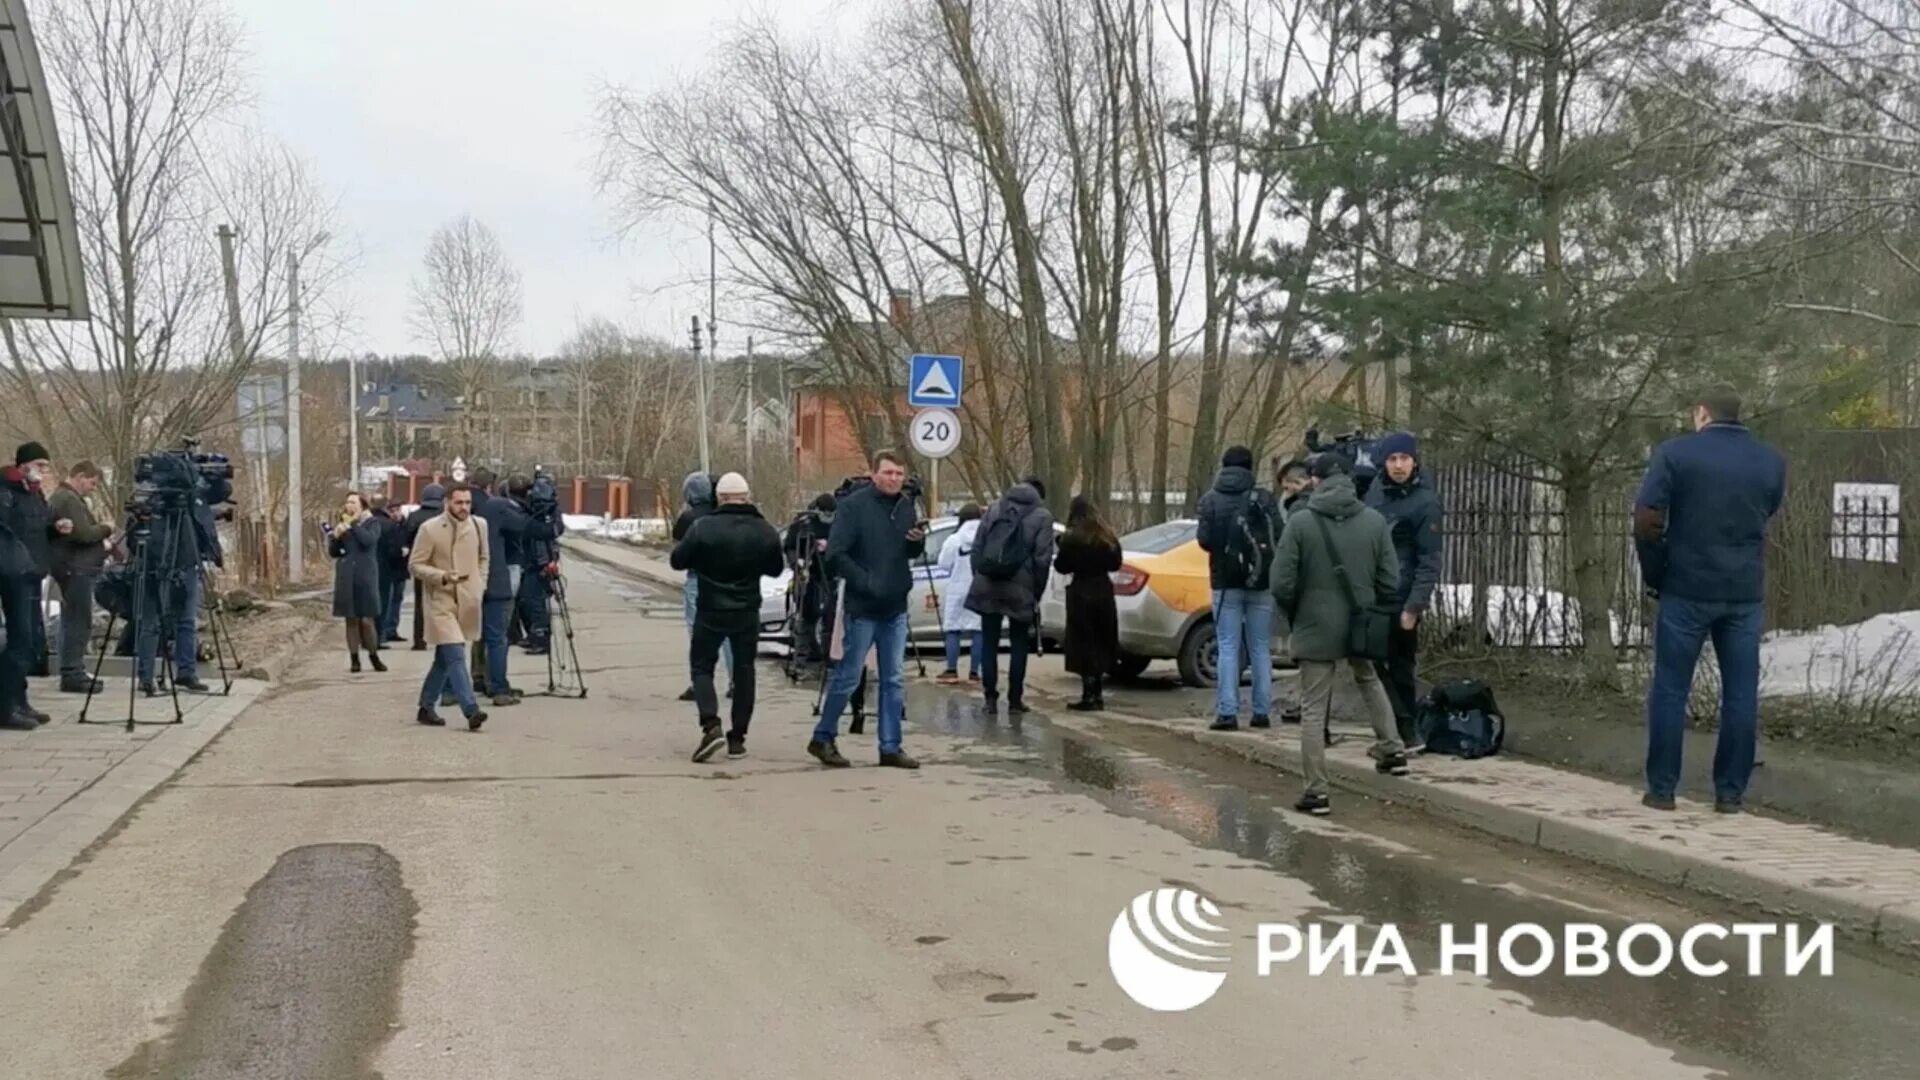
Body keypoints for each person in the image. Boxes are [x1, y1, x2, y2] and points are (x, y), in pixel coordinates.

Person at [1633, 385, 1786, 814]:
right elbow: (1768, 509)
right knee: (1740, 693)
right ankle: (1730, 794)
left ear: (1702, 414)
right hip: (1743, 592)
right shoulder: (1770, 460)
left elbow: (1646, 520)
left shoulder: (1675, 454)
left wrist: (1656, 571)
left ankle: (1662, 789)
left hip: (1686, 587)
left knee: (1670, 689)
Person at [1270, 453, 1411, 817]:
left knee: (1314, 708)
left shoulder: (1300, 523)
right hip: (1361, 622)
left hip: (1314, 625)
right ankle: (1392, 748)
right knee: (1369, 678)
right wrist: (1369, 604)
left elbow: (1281, 582)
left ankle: (1316, 792)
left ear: (1315, 481)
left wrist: (1297, 612)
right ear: (1349, 479)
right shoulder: (1375, 522)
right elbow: (1390, 581)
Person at [807, 450, 927, 769]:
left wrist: (917, 541)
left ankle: (890, 746)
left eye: (899, 474)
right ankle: (824, 736)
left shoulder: (906, 507)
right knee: (848, 676)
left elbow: (908, 550)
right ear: (874, 474)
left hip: (895, 606)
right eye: (888, 473)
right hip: (862, 606)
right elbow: (836, 553)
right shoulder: (854, 508)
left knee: (894, 679)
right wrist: (865, 580)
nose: (894, 479)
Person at [670, 472, 783, 762]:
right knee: (745, 671)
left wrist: (703, 560)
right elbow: (775, 568)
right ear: (747, 496)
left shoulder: (703, 527)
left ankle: (711, 724)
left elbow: (677, 560)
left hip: (710, 608)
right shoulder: (764, 530)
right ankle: (737, 740)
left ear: (719, 497)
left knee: (702, 667)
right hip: (746, 611)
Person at [1365, 432, 1444, 746]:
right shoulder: (1375, 495)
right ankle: (1391, 731)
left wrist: (1414, 607)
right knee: (1373, 664)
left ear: (1414, 461)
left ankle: (1406, 731)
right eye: (1393, 459)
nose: (1399, 466)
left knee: (1400, 668)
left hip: (1403, 597)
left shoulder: (1425, 502)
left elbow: (1430, 560)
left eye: (1404, 459)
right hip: (1374, 596)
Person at [1197, 446, 1281, 731]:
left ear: (1224, 466)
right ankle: (1261, 712)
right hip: (1261, 582)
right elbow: (1278, 536)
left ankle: (1227, 712)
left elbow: (1204, 540)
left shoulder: (1211, 499)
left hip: (1224, 581)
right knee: (1260, 647)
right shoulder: (1264, 498)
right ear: (1250, 467)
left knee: (1228, 646)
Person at [966, 475, 1056, 714]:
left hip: (988, 583)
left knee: (989, 643)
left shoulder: (995, 508)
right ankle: (1015, 701)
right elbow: (1042, 558)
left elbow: (977, 547)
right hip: (1022, 588)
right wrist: (1036, 591)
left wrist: (980, 575)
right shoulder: (1042, 517)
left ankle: (990, 699)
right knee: (1018, 645)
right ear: (1039, 494)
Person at [473, 469, 559, 705]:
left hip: (468, 578)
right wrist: (549, 509)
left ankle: (467, 683)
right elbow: (538, 530)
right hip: (499, 577)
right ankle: (498, 687)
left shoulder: (465, 506)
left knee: (468, 635)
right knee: (497, 636)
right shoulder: (498, 508)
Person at [408, 483, 489, 731]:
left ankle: (426, 706)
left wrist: (480, 585)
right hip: (440, 600)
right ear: (447, 503)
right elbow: (415, 565)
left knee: (444, 659)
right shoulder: (430, 529)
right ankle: (471, 710)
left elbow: (484, 557)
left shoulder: (479, 525)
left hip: (467, 599)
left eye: (467, 502)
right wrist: (441, 576)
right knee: (455, 652)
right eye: (458, 502)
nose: (464, 507)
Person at [48, 461, 113, 694]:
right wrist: (106, 528)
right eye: (92, 483)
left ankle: (73, 669)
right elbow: (83, 533)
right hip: (75, 568)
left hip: (73, 566)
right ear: (80, 476)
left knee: (72, 619)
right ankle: (72, 672)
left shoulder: (64, 498)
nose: (93, 488)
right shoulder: (68, 499)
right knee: (77, 620)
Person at [1054, 495, 1123, 712]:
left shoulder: (1073, 538)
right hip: (1103, 590)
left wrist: (1062, 548)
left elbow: (1061, 567)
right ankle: (1098, 694)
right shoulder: (1107, 537)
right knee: (1102, 640)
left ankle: (1088, 693)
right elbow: (1116, 564)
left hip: (1081, 591)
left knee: (1083, 643)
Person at [0, 444, 49, 728]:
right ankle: (8, 705)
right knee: (19, 640)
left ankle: (20, 699)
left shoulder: (35, 494)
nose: (43, 472)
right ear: (25, 465)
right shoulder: (6, 491)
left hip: (32, 572)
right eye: (40, 465)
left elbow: (40, 525)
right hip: (13, 573)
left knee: (29, 642)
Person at [673, 472, 731, 700]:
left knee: (698, 634)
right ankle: (735, 681)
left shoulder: (688, 519)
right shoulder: (720, 514)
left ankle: (700, 683)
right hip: (725, 580)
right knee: (727, 634)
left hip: (698, 580)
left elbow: (678, 552)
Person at [326, 492, 386, 674]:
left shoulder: (372, 522)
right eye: (347, 502)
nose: (348, 505)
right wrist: (335, 537)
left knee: (366, 618)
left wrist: (353, 525)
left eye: (352, 502)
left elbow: (368, 541)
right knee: (350, 618)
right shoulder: (342, 524)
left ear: (362, 505)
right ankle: (354, 658)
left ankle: (373, 655)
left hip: (365, 574)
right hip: (346, 574)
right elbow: (334, 552)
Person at [1273, 459, 1313, 725]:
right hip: (1314, 592)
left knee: (1309, 657)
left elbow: (1288, 555)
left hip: (1306, 594)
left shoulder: (1299, 510)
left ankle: (1310, 711)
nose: (1285, 491)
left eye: (1288, 486)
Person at [934, 503, 985, 685]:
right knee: (979, 629)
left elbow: (943, 564)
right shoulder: (985, 536)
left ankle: (951, 670)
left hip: (957, 587)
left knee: (953, 628)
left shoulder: (955, 539)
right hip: (980, 586)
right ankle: (974, 672)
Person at [783, 493, 836, 664]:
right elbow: (789, 546)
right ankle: (803, 657)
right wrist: (797, 565)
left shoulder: (840, 522)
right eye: (826, 513)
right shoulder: (803, 524)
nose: (829, 517)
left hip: (832, 576)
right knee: (806, 617)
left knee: (831, 617)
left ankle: (829, 656)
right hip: (808, 576)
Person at [402, 485, 445, 650]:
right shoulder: (444, 517)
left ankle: (419, 640)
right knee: (443, 603)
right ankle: (443, 638)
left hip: (421, 564)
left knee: (420, 604)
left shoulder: (414, 517)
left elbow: (406, 539)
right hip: (443, 564)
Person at [372, 495, 408, 644]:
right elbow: (393, 549)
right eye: (392, 510)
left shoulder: (405, 524)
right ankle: (382, 632)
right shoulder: (387, 525)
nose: (395, 513)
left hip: (399, 569)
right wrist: (402, 551)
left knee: (396, 599)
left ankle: (391, 629)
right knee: (386, 600)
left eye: (397, 509)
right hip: (388, 568)